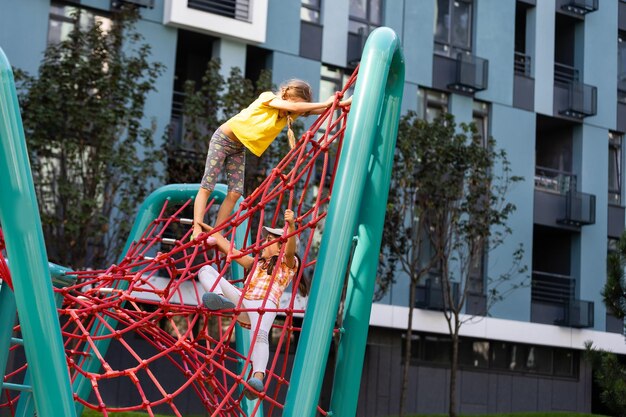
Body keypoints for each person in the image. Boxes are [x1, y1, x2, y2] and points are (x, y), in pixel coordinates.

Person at [192, 79, 346, 240]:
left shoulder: (289, 111)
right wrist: (324, 102)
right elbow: (296, 107)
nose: (294, 111)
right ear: (288, 97)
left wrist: (342, 102)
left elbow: (316, 110)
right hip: (222, 139)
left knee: (235, 192)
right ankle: (197, 227)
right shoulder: (268, 98)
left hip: (238, 148)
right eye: (297, 103)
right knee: (208, 185)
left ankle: (217, 232)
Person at [197, 209, 308, 399]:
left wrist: (291, 226)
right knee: (205, 270)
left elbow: (290, 250)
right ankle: (218, 298)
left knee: (261, 336)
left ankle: (257, 377)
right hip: (244, 302)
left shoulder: (287, 263)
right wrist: (211, 232)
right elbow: (231, 251)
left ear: (279, 245)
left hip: (265, 306)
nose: (264, 243)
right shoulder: (256, 263)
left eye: (268, 241)